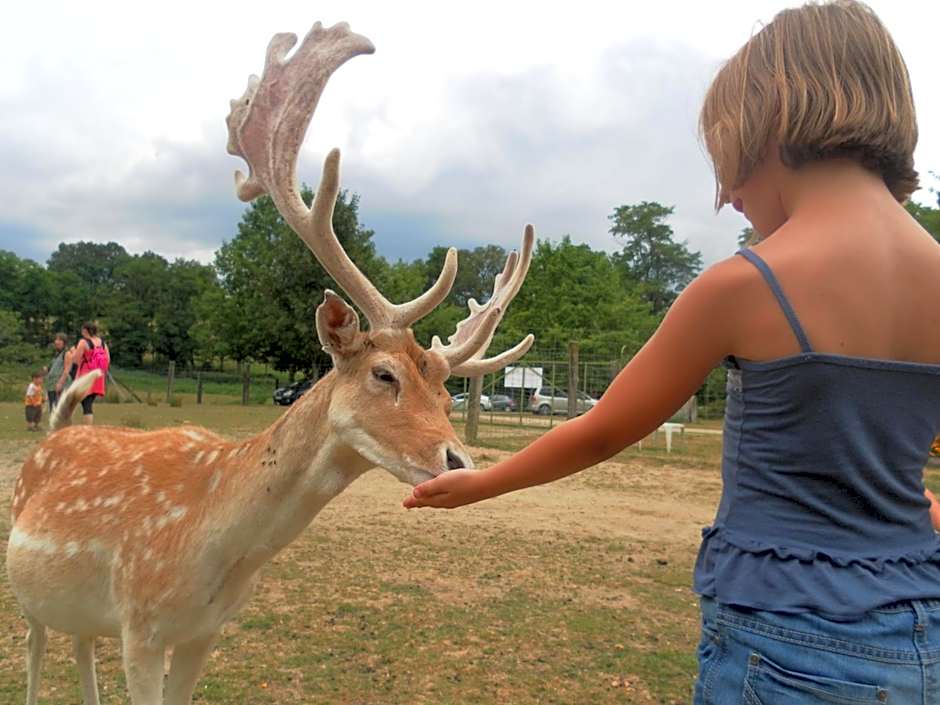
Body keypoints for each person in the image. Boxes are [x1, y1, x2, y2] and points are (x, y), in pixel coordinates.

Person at [404, 2, 940, 701]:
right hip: (920, 639)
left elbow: (601, 432)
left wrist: (483, 483)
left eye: (734, 176)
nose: (730, 200)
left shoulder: (744, 286)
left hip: (783, 645)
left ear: (774, 122)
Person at [69, 322, 110, 425]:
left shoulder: (83, 342)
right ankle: (87, 427)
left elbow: (76, 360)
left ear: (85, 331)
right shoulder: (102, 342)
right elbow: (108, 359)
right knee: (88, 402)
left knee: (86, 404)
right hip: (98, 376)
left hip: (86, 375)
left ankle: (87, 429)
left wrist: (73, 352)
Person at [45, 332, 69, 412]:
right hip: (51, 384)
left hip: (59, 384)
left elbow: (66, 370)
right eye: (56, 339)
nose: (57, 341)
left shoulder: (67, 353)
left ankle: (61, 424)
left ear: (64, 342)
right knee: (52, 407)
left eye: (59, 340)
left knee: (59, 407)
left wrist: (60, 383)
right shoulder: (57, 354)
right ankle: (54, 424)